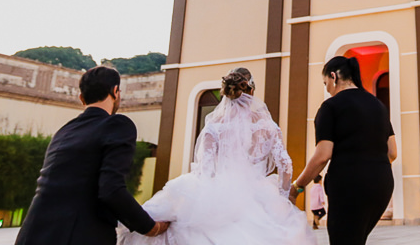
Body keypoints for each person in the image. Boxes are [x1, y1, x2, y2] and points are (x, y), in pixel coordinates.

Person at [118, 67, 311, 245]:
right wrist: (283, 198)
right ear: (252, 91)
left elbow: (205, 172)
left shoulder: (214, 127)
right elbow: (285, 165)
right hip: (261, 197)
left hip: (221, 198)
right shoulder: (267, 126)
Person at [15, 65, 168, 245]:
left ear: (81, 98)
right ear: (115, 91)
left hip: (31, 234)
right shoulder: (118, 125)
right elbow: (111, 190)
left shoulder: (64, 131)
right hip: (77, 236)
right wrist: (150, 227)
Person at [292, 56, 397, 245]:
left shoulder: (331, 107)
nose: (327, 89)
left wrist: (297, 186)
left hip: (349, 186)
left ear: (334, 76)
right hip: (382, 185)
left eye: (326, 83)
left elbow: (323, 155)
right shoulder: (378, 106)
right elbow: (392, 152)